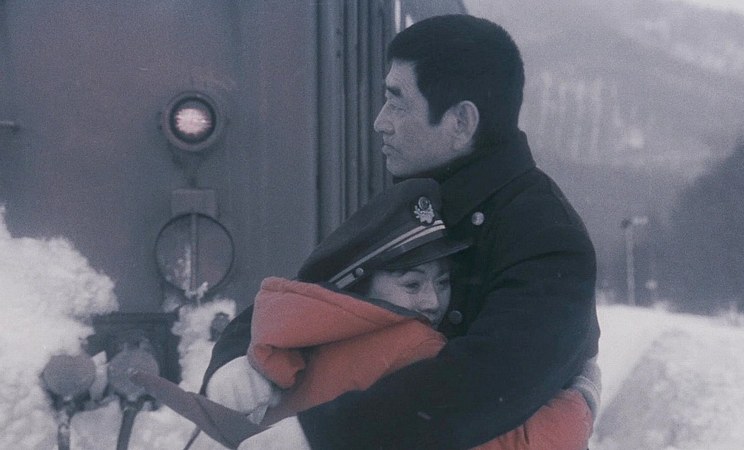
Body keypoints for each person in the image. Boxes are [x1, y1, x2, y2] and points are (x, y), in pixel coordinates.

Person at [205, 14, 601, 449]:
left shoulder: (547, 238)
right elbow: (312, 293)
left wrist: (321, 435)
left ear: (461, 122)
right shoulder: (418, 199)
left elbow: (488, 383)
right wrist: (234, 361)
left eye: (397, 103)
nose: (381, 121)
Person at [135, 178, 593, 450]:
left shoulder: (298, 334)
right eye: (411, 284)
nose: (432, 301)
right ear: (364, 282)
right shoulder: (413, 347)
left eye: (442, 281)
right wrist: (582, 395)